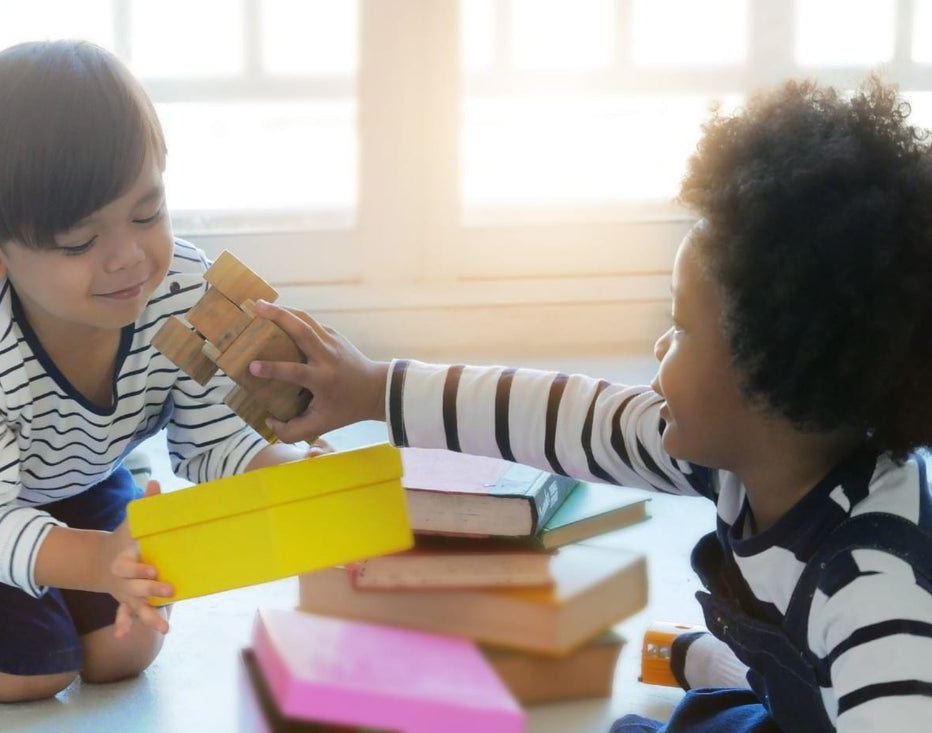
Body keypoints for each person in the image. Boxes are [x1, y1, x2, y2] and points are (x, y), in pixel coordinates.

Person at [249, 77, 932, 732]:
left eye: (683, 328)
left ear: (773, 371)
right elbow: (565, 416)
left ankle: (723, 673)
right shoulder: (745, 453)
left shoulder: (876, 589)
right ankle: (725, 673)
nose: (661, 344)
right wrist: (374, 388)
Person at [0, 40, 322, 703]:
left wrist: (293, 473)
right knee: (32, 669)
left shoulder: (181, 286)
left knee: (124, 649)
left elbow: (212, 443)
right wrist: (99, 558)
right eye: (80, 242)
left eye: (147, 213)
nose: (130, 259)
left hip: (70, 461)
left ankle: (120, 475)